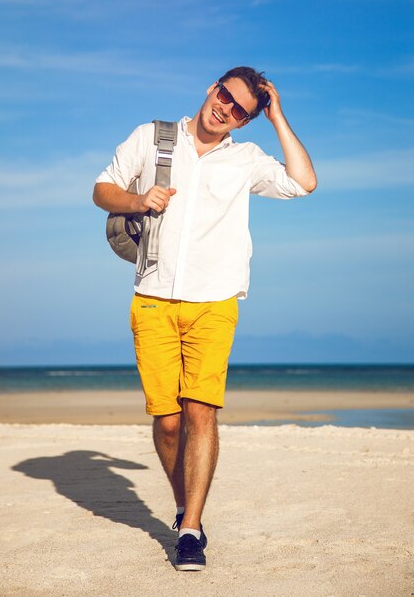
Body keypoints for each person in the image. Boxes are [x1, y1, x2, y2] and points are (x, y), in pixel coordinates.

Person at [93, 66, 317, 571]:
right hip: (152, 296)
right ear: (211, 88)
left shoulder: (246, 159)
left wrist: (277, 117)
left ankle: (191, 529)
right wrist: (136, 199)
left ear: (247, 120)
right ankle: (182, 507)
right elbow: (102, 188)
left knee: (201, 412)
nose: (226, 110)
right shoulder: (153, 138)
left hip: (215, 302)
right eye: (225, 96)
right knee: (168, 422)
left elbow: (304, 182)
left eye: (241, 109)